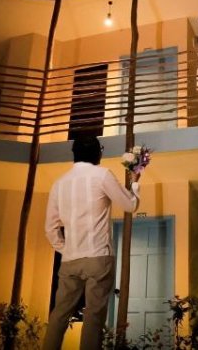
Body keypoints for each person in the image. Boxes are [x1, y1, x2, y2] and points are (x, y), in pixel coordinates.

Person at [43, 136, 140, 350]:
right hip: (98, 258)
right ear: (98, 153)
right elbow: (130, 205)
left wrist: (66, 249)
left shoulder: (59, 183)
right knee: (93, 318)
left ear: (75, 153)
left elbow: (50, 228)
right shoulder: (102, 175)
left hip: (70, 260)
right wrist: (135, 182)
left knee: (59, 315)